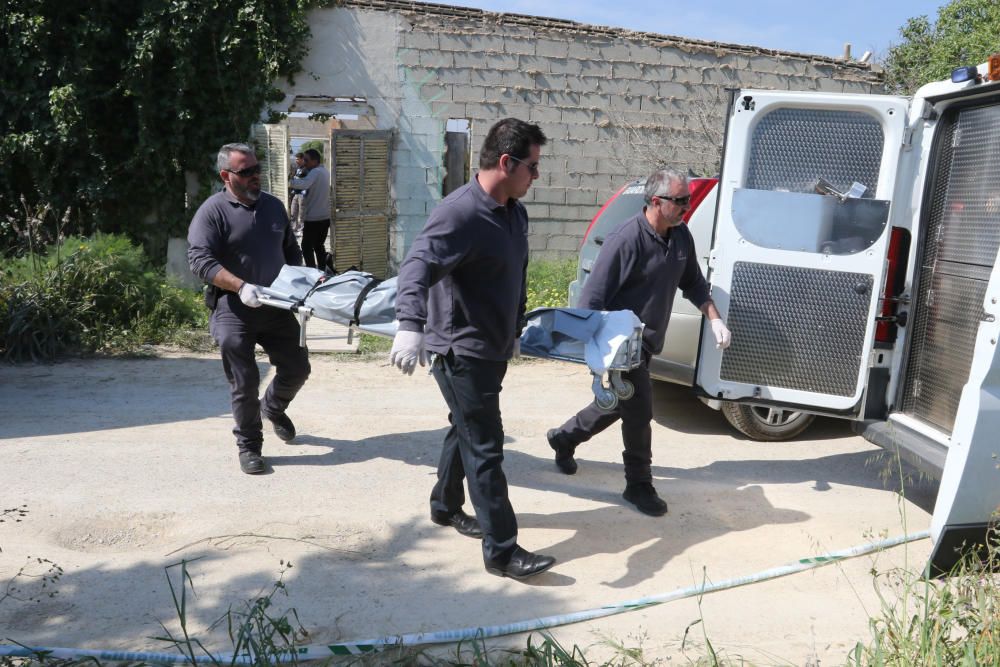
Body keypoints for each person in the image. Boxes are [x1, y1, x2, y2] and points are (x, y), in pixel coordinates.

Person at [390, 118, 556, 581]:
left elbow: (516, 274)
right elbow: (417, 264)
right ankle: (501, 551)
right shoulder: (460, 212)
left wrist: (516, 326)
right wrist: (410, 324)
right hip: (462, 351)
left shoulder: (512, 211)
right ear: (506, 162)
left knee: (463, 427)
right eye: (533, 167)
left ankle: (444, 506)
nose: (536, 176)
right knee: (486, 446)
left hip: (493, 347)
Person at [545, 168, 732, 516]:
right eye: (680, 201)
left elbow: (693, 283)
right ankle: (638, 484)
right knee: (639, 410)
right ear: (656, 202)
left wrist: (714, 317)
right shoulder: (626, 240)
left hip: (646, 344)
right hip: (621, 346)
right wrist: (596, 355)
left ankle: (565, 437)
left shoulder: (680, 237)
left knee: (619, 403)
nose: (686, 207)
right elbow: (591, 301)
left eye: (688, 200)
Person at [187, 143, 311, 475]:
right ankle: (249, 446)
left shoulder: (273, 207)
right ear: (226, 176)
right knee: (244, 381)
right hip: (233, 307)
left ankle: (272, 408)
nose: (256, 176)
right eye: (246, 172)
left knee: (298, 368)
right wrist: (240, 286)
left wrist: (299, 283)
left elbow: (291, 250)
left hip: (275, 305)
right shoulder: (212, 212)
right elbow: (199, 261)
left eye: (257, 168)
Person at [289, 148, 331, 269]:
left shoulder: (315, 172)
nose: (304, 162)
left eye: (306, 160)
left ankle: (312, 272)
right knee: (319, 245)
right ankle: (322, 270)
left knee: (306, 247)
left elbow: (303, 184)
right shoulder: (324, 171)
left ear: (315, 160)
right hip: (325, 217)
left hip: (314, 218)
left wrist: (289, 181)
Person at [288, 152, 309, 235]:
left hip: (302, 194)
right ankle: (294, 228)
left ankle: (301, 229)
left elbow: (306, 182)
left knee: (301, 212)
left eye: (297, 159)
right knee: (293, 211)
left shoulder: (306, 169)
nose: (296, 160)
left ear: (302, 159)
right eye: (295, 159)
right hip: (296, 193)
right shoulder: (297, 169)